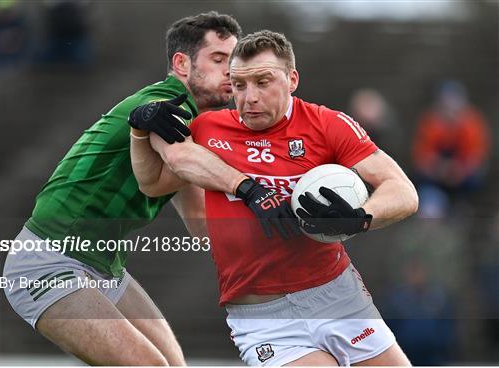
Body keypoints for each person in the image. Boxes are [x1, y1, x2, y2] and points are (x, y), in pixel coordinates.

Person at [2, 12, 293, 366]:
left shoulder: (195, 124)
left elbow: (201, 223)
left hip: (105, 264)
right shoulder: (166, 107)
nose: (230, 73)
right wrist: (249, 188)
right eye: (218, 60)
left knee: (173, 364)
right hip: (48, 262)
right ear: (181, 64)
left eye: (233, 62)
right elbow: (180, 155)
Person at [133, 30, 419, 366]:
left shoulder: (327, 125)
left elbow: (402, 191)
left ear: (291, 79)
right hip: (264, 317)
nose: (249, 97)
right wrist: (139, 132)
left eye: (263, 82)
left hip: (337, 297)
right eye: (239, 85)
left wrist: (361, 216)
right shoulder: (209, 129)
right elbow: (152, 182)